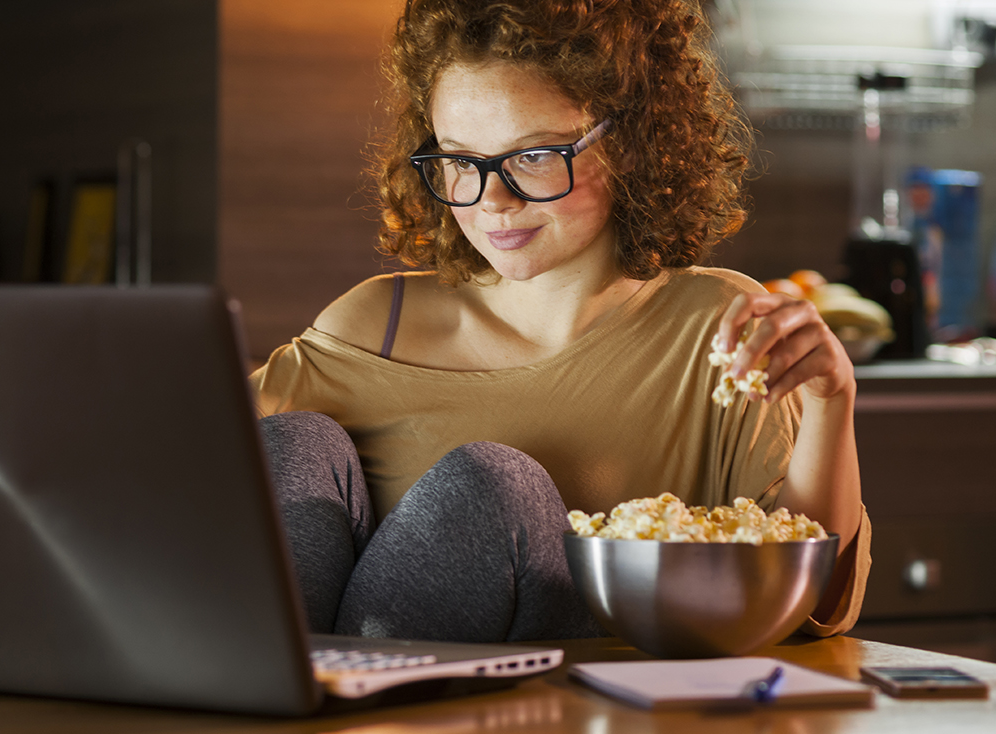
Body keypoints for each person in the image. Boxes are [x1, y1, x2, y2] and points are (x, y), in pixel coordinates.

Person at [250, 0, 869, 643]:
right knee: (288, 447)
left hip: (574, 698)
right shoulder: (372, 325)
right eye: (461, 161)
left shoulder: (718, 332)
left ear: (627, 143)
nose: (492, 200)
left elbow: (799, 594)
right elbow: (186, 466)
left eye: (535, 155)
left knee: (493, 486)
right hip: (307, 680)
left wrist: (832, 401)